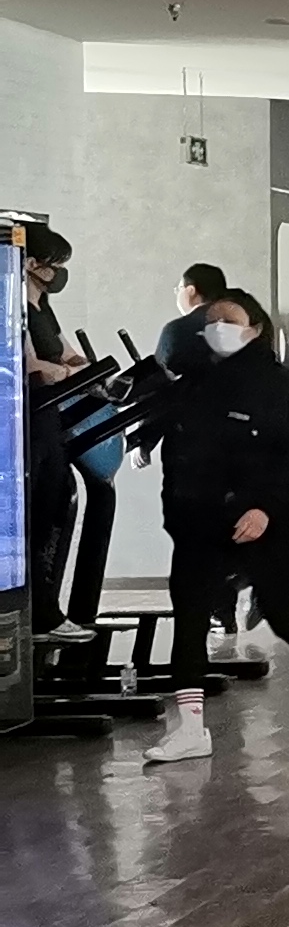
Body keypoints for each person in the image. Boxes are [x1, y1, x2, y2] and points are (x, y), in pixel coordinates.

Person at [144, 290, 289, 763]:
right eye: (211, 322)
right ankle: (191, 728)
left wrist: (267, 509)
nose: (218, 329)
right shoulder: (194, 381)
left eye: (229, 320)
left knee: (283, 615)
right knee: (189, 616)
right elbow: (170, 435)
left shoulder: (278, 387)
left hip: (258, 522)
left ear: (255, 328)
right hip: (197, 520)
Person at [22, 228, 116, 642]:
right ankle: (41, 614)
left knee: (56, 505)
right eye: (55, 265)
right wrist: (63, 371)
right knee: (37, 518)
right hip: (30, 419)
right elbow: (33, 368)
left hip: (52, 419)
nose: (59, 273)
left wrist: (82, 370)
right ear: (31, 264)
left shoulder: (43, 307)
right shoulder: (14, 304)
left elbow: (65, 355)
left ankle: (47, 612)